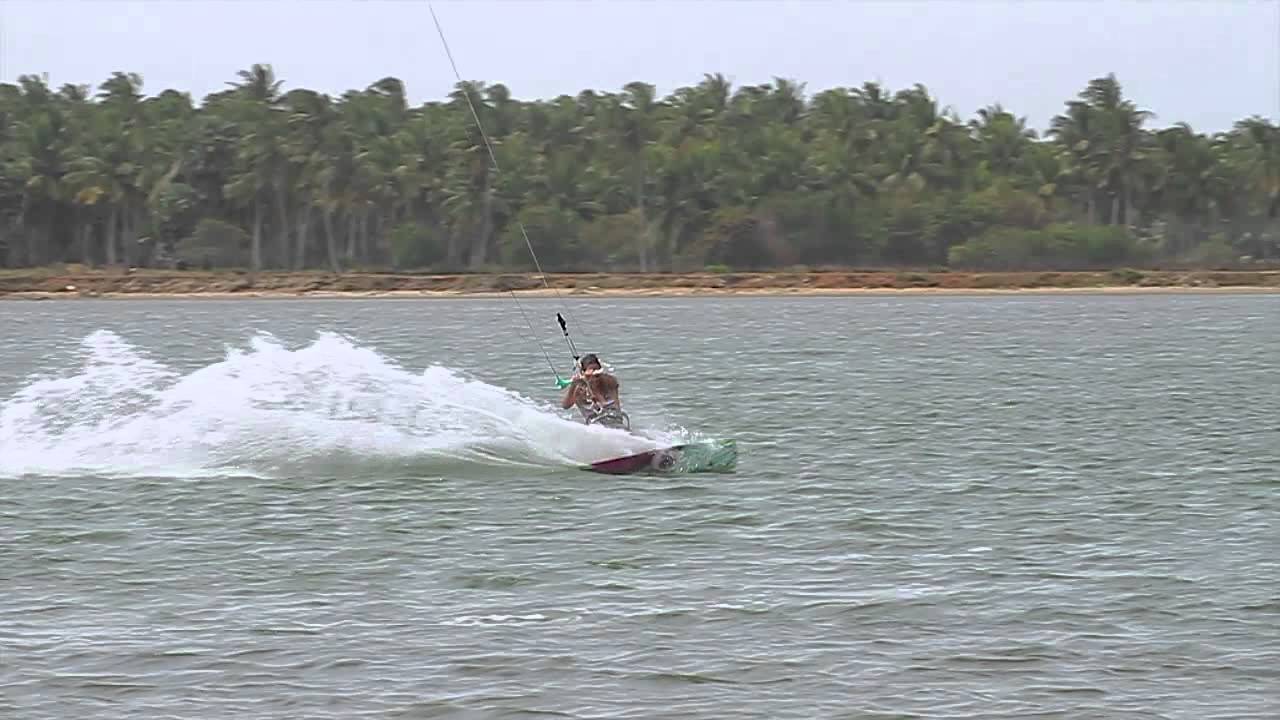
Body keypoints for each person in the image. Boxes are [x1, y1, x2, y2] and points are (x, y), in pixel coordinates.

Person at [561, 353, 628, 429]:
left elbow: (603, 404)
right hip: (594, 425)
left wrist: (592, 386)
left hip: (614, 420)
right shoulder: (579, 389)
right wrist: (573, 386)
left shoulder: (609, 382)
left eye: (597, 375)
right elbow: (565, 405)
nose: (595, 379)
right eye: (590, 376)